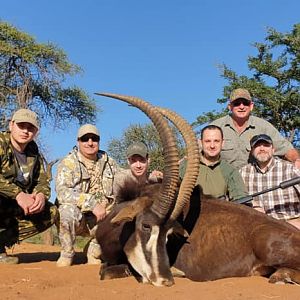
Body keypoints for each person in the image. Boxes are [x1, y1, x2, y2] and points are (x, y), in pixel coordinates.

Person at [55, 124, 121, 267]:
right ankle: (67, 253)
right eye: (85, 139)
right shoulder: (68, 163)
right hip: (79, 219)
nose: (90, 143)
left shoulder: (109, 162)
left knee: (121, 214)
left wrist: (149, 176)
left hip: (101, 219)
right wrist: (91, 203)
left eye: (94, 139)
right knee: (66, 211)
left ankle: (94, 251)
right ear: (78, 141)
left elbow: (125, 177)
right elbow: (62, 192)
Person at [0, 108, 58, 264]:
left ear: (36, 132)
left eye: (30, 128)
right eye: (21, 125)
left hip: (10, 207)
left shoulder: (33, 151)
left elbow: (42, 180)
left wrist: (40, 195)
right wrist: (18, 194)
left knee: (51, 212)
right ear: (11, 125)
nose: (25, 131)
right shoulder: (1, 142)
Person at [210, 88, 300, 170]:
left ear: (251, 106)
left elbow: (287, 150)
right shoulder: (216, 127)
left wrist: (297, 160)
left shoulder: (264, 127)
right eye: (237, 103)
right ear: (230, 107)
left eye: (245, 103)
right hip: (224, 180)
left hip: (254, 181)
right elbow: (199, 152)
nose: (241, 107)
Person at [240, 134, 300, 229]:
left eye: (266, 145)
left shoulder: (290, 169)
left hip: (290, 225)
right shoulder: (243, 173)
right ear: (251, 151)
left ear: (273, 150)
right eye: (257, 146)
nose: (262, 148)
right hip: (258, 227)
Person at [179, 125, 248, 201]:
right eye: (207, 141)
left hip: (218, 211)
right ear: (200, 142)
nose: (212, 146)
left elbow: (241, 197)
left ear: (223, 143)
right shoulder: (186, 165)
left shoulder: (230, 170)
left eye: (216, 141)